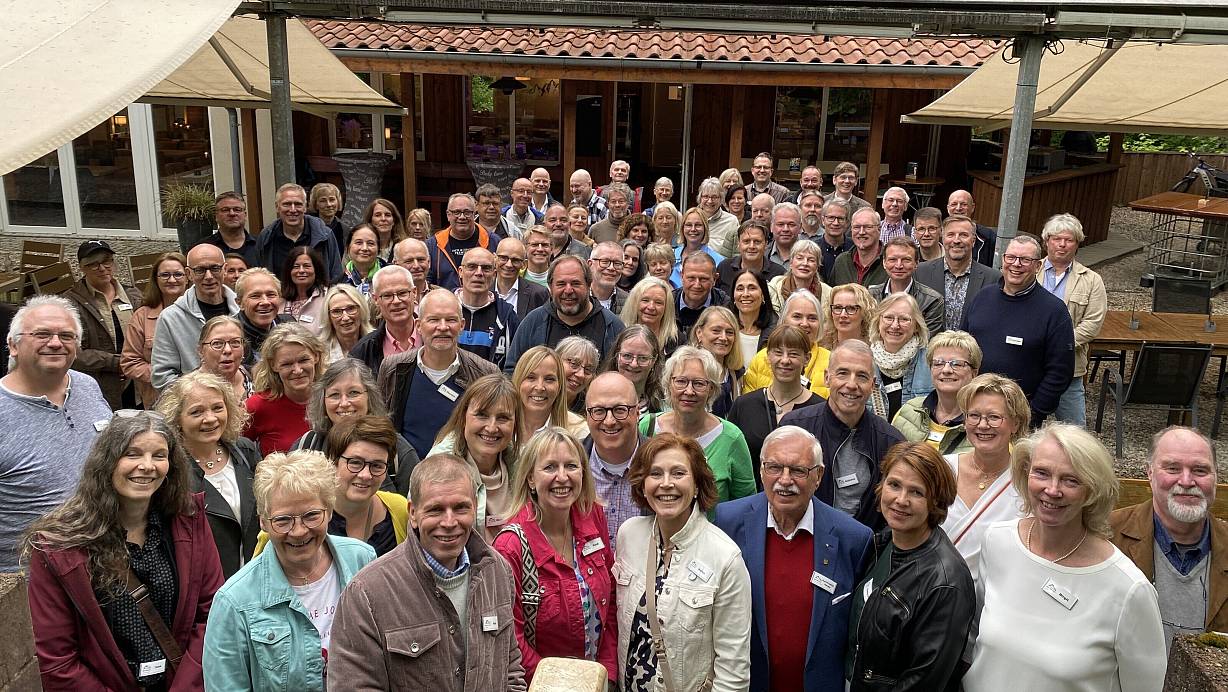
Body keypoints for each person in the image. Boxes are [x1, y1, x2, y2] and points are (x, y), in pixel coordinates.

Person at [25, 411, 222, 691]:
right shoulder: (58, 546)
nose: (147, 465)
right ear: (107, 461)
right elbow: (58, 661)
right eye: (132, 453)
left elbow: (212, 615)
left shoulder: (189, 521)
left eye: (159, 455)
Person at [964, 424, 1166, 692]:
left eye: (1071, 480)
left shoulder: (1129, 589)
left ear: (1092, 489)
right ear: (1025, 474)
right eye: (1042, 473)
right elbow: (976, 641)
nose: (1052, 490)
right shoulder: (997, 541)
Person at [327, 454, 527, 690]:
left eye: (461, 507)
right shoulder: (367, 593)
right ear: (412, 513)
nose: (450, 521)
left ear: (475, 507)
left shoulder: (497, 571)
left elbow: (510, 668)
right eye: (436, 510)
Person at [715, 425, 874, 692]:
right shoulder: (728, 522)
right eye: (775, 467)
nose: (785, 480)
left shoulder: (853, 538)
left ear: (819, 476)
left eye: (798, 470)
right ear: (761, 470)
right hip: (747, 684)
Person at [203, 450, 377, 690]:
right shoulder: (235, 601)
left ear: (329, 509)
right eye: (283, 520)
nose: (298, 531)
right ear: (263, 521)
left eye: (311, 516)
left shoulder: (363, 560)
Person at [616, 433, 752, 692]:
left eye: (678, 473)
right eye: (655, 474)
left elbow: (733, 671)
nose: (666, 484)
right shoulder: (629, 535)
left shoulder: (724, 557)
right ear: (643, 485)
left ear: (698, 485)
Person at [845, 442, 976, 692]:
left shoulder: (946, 581)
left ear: (935, 500)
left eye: (917, 492)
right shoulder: (883, 543)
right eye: (894, 485)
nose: (901, 500)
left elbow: (924, 680)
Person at [492, 427, 618, 685]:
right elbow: (511, 639)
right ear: (529, 479)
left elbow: (612, 603)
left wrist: (608, 675)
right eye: (550, 467)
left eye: (571, 466)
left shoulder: (593, 517)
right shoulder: (511, 546)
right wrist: (565, 684)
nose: (562, 477)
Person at [0, 297, 112, 573]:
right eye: (41, 334)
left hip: (103, 562)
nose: (55, 343)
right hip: (29, 582)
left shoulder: (87, 386)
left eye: (66, 335)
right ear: (13, 345)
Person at [1111, 426, 1228, 644]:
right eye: (1172, 468)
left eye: (1200, 470)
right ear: (1150, 473)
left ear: (1216, 477)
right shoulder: (1106, 537)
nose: (1186, 481)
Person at [780, 340, 905, 530]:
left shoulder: (890, 443)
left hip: (863, 551)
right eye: (843, 373)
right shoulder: (795, 428)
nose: (852, 384)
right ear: (827, 378)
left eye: (862, 376)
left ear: (872, 385)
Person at [961, 234, 1074, 426]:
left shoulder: (1054, 311)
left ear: (1038, 266)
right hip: (974, 411)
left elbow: (1060, 372)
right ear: (1003, 260)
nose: (1016, 264)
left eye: (1025, 260)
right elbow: (962, 348)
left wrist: (1033, 412)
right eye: (1011, 257)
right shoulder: (982, 298)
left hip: (1020, 418)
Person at [157, 371, 261, 579]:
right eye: (196, 412)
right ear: (177, 418)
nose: (210, 419)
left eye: (217, 408)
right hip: (206, 588)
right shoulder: (170, 470)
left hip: (255, 579)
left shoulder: (245, 450)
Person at [378, 289, 500, 459]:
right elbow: (381, 428)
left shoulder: (484, 373)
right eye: (433, 320)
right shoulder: (393, 368)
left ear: (462, 325)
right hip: (405, 478)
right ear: (419, 325)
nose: (442, 327)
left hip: (463, 477)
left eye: (451, 320)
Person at [936, 372, 1031, 585]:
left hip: (997, 596)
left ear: (1015, 423)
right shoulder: (942, 468)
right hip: (934, 595)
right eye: (974, 415)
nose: (982, 425)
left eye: (994, 417)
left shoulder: (1027, 481)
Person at [639, 347, 756, 504]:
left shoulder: (731, 437)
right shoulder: (648, 427)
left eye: (699, 383)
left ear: (712, 389)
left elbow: (746, 503)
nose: (689, 391)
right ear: (668, 385)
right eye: (681, 381)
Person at [291, 358, 420, 496]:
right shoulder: (306, 446)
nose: (344, 403)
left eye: (354, 393)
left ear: (369, 397)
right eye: (335, 395)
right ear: (323, 401)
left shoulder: (397, 451)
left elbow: (415, 507)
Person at [728, 326, 825, 488]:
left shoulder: (820, 409)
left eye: (793, 354)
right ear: (768, 356)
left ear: (806, 359)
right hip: (753, 504)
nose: (785, 360)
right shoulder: (744, 405)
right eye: (778, 353)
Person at [1038, 213, 1107, 426]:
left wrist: (1058, 344)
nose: (1062, 245)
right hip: (1028, 363)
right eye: (1056, 239)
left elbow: (1092, 324)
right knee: (1023, 429)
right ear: (1046, 241)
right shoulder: (1029, 271)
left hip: (1070, 368)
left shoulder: (1092, 280)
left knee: (1074, 432)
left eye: (1068, 240)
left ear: (1077, 244)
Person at [505, 255, 626, 372]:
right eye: (561, 284)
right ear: (550, 287)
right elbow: (512, 370)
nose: (568, 290)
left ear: (589, 285)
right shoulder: (533, 322)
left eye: (575, 283)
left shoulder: (612, 326)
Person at [152, 242, 240, 391]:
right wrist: (202, 394)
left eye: (215, 268)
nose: (209, 276)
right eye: (200, 270)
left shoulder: (241, 309)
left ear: (224, 269)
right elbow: (162, 376)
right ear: (189, 274)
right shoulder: (171, 318)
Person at [66, 239, 139, 408]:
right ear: (82, 268)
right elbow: (73, 353)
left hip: (136, 384)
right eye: (94, 264)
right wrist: (117, 363)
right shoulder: (71, 304)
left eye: (107, 261)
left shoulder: (133, 295)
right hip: (99, 387)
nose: (102, 268)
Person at [583, 372, 649, 549]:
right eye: (599, 411)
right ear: (587, 415)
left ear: (637, 412)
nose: (609, 421)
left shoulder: (660, 464)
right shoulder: (569, 466)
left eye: (620, 410)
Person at [892, 329, 981, 456]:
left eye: (956, 364)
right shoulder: (908, 411)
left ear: (974, 372)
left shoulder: (984, 423)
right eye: (938, 363)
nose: (946, 370)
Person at [243, 324, 326, 456]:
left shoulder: (333, 399)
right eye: (287, 364)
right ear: (273, 365)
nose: (298, 370)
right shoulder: (257, 406)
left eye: (303, 360)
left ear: (316, 356)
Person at [121, 251, 189, 409]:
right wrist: (164, 376)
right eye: (165, 275)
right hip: (159, 400)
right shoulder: (141, 317)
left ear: (188, 277)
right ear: (156, 279)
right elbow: (129, 362)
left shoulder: (200, 313)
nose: (171, 280)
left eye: (178, 274)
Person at [914, 215, 1000, 331]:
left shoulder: (993, 279)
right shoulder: (920, 272)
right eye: (950, 235)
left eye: (963, 235)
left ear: (973, 241)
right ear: (943, 239)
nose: (956, 240)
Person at [743, 289, 831, 398]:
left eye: (812, 318)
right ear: (784, 320)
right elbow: (748, 406)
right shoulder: (762, 358)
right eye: (797, 316)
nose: (804, 323)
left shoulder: (831, 362)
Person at [255, 183, 343, 283]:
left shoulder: (325, 235)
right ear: (277, 207)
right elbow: (259, 277)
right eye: (286, 204)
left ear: (305, 207)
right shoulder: (266, 238)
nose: (292, 210)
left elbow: (336, 276)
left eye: (298, 204)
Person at [868, 293, 933, 422]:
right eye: (889, 318)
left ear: (916, 326)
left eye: (904, 319)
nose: (895, 325)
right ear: (878, 322)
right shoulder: (864, 361)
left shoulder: (931, 362)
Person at [455, 247, 519, 369]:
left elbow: (514, 365)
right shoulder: (444, 308)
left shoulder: (507, 317)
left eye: (486, 268)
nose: (479, 273)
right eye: (472, 266)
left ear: (494, 274)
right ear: (460, 272)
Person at [868, 236, 945, 336]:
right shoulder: (870, 297)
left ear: (916, 263)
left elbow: (926, 341)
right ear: (884, 263)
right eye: (892, 259)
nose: (899, 265)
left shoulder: (932, 300)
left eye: (906, 260)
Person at [426, 192, 504, 290]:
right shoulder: (432, 246)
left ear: (474, 214)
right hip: (445, 303)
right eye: (456, 212)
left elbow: (502, 278)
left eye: (467, 212)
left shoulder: (494, 242)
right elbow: (426, 282)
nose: (462, 217)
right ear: (448, 215)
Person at [349, 265, 418, 374]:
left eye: (402, 293)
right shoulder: (362, 351)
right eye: (387, 295)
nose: (396, 301)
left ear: (414, 293)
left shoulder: (434, 337)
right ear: (375, 299)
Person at [514, 345, 589, 438]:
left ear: (560, 385)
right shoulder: (501, 424)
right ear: (518, 380)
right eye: (531, 377)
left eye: (549, 379)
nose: (540, 387)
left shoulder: (579, 432)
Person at [690, 306, 743, 418]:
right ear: (699, 333)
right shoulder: (685, 370)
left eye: (729, 332)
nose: (723, 337)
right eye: (716, 331)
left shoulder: (735, 375)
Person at [234, 267, 292, 367]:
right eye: (255, 296)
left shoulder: (289, 325)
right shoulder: (230, 335)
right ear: (239, 303)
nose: (265, 302)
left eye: (271, 295)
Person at [600, 325, 664, 414]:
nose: (634, 364)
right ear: (617, 355)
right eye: (627, 356)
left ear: (654, 360)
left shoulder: (665, 404)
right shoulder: (598, 396)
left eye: (643, 358)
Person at [716, 221, 785, 295]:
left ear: (766, 244)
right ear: (738, 244)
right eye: (746, 241)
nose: (751, 246)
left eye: (757, 242)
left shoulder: (779, 274)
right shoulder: (724, 267)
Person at [194, 315, 253, 401]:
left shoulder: (257, 379)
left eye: (235, 342)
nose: (228, 350)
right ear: (201, 351)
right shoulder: (186, 390)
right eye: (217, 344)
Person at [620, 275, 679, 358]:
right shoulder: (618, 333)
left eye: (658, 302)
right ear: (634, 303)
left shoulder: (677, 341)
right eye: (645, 300)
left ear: (666, 307)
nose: (651, 307)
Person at [729, 268, 777, 368]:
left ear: (763, 294)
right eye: (740, 289)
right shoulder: (724, 330)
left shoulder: (776, 333)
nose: (745, 294)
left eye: (752, 288)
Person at [768, 238, 832, 313]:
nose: (805, 263)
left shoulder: (829, 294)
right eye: (800, 258)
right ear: (791, 263)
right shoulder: (774, 288)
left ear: (817, 266)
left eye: (811, 260)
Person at [199, 191, 259, 268]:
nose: (232, 213)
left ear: (245, 215)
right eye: (225, 210)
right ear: (216, 216)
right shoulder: (203, 248)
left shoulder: (261, 246)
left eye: (237, 209)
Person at [828, 208, 887, 286]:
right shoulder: (842, 262)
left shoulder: (890, 261)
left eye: (868, 227)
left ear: (879, 229)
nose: (861, 232)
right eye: (857, 227)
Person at [495, 237, 550, 320]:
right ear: (495, 259)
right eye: (503, 258)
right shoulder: (483, 289)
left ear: (524, 264)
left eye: (515, 260)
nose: (509, 265)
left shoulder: (539, 294)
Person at [670, 206, 725, 289]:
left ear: (705, 228)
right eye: (688, 225)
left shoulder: (719, 261)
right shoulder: (671, 256)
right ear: (682, 228)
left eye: (698, 225)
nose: (693, 229)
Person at [279, 246, 329, 335]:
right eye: (296, 266)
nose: (301, 270)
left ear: (316, 270)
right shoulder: (279, 300)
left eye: (307, 266)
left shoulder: (328, 298)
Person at [319, 284, 373, 362]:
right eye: (336, 311)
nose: (345, 317)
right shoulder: (319, 351)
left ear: (362, 310)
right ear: (328, 317)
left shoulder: (378, 343)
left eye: (351, 309)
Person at [945, 190, 997, 267]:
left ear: (972, 207)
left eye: (964, 204)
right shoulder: (939, 234)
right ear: (948, 208)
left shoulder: (988, 237)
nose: (958, 208)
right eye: (954, 204)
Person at [819, 283, 874, 350]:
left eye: (851, 308)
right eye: (838, 308)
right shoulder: (820, 343)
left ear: (864, 312)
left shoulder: (874, 348)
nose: (843, 315)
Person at [696, 178, 739, 258]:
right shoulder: (691, 219)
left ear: (721, 198)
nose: (709, 201)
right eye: (706, 196)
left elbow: (736, 253)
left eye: (714, 197)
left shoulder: (731, 221)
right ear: (700, 198)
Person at [557, 335, 600, 414]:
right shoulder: (540, 397)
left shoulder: (592, 410)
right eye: (574, 363)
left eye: (588, 369)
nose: (581, 375)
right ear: (556, 361)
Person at [341, 223, 384, 295]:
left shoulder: (392, 275)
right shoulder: (338, 283)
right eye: (359, 243)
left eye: (370, 243)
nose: (364, 248)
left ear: (378, 249)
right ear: (348, 248)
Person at [816, 199, 854, 281]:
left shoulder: (854, 248)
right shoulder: (813, 248)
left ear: (847, 222)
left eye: (840, 218)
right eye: (831, 217)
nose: (836, 223)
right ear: (823, 220)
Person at [589, 241, 630, 313]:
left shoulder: (629, 302)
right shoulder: (577, 297)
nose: (611, 268)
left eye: (617, 263)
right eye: (605, 262)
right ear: (590, 264)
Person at [308, 182, 345, 251]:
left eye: (332, 199)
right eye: (323, 201)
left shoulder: (345, 229)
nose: (328, 204)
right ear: (315, 204)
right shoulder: (308, 226)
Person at [766, 203, 804, 268]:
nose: (785, 229)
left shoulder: (812, 255)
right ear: (771, 227)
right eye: (780, 224)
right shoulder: (762, 255)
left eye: (791, 224)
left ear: (800, 227)